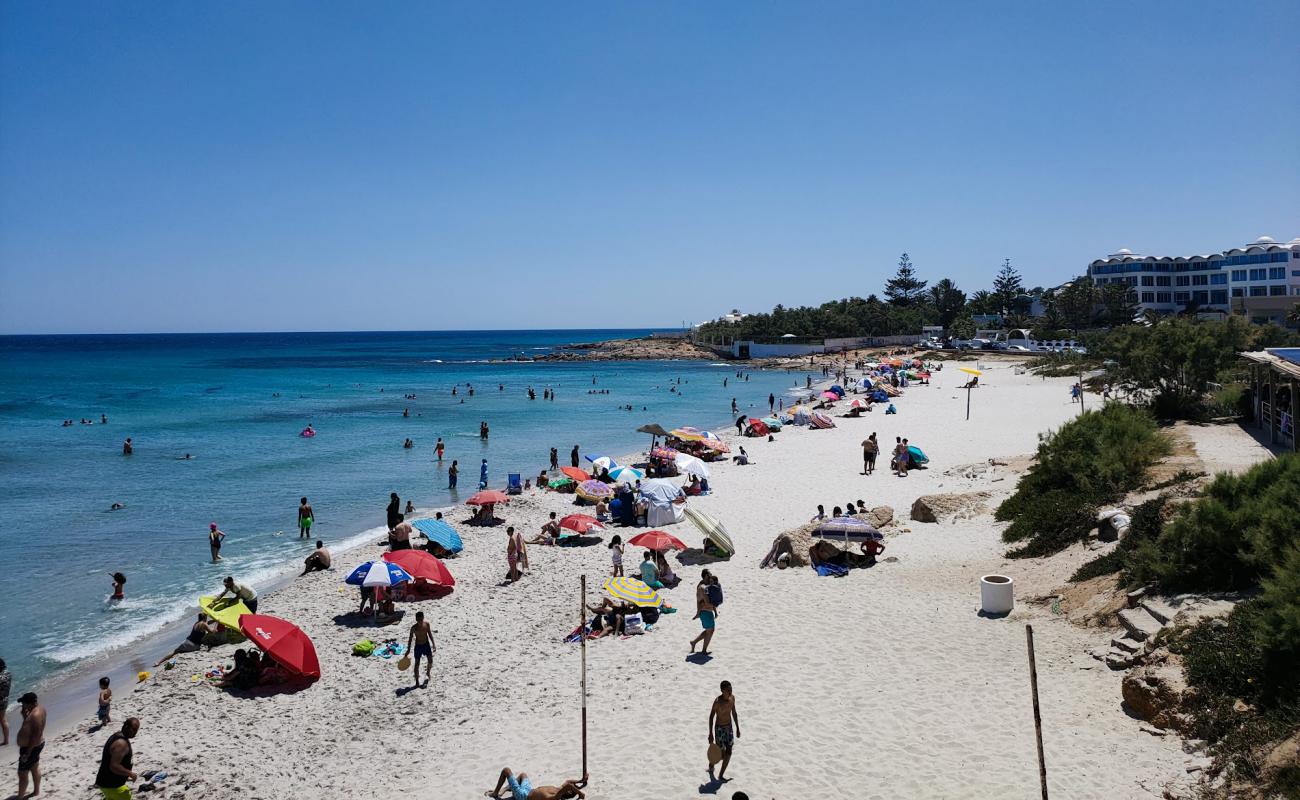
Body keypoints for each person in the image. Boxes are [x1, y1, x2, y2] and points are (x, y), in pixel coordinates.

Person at [96, 717, 140, 800]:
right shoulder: (121, 743)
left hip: (106, 782)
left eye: (136, 730)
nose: (135, 732)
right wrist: (130, 774)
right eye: (133, 729)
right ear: (126, 727)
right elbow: (114, 766)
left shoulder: (118, 735)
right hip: (112, 785)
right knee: (126, 797)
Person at [486, 767, 586, 800]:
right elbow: (568, 782)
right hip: (529, 789)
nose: (571, 785)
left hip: (522, 796)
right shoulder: (558, 789)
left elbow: (568, 785)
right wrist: (581, 780)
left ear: (567, 792)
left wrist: (580, 793)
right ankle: (506, 788)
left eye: (572, 788)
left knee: (506, 770)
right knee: (522, 775)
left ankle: (495, 793)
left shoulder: (554, 796)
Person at [709, 681, 740, 781]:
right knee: (721, 755)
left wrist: (738, 728)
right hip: (719, 729)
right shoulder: (718, 702)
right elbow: (711, 716)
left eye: (731, 689)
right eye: (728, 690)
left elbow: (734, 713)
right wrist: (710, 733)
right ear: (722, 691)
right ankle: (712, 762)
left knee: (729, 751)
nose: (730, 691)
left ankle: (721, 775)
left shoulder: (732, 698)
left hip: (729, 727)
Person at [16, 692, 45, 800]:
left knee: (22, 773)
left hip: (30, 747)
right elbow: (31, 727)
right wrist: (24, 716)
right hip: (36, 745)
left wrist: (27, 753)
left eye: (23, 703)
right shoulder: (39, 709)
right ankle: (36, 791)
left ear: (29, 703)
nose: (22, 705)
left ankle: (20, 797)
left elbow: (35, 735)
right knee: (34, 766)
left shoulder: (35, 715)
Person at [689, 570, 717, 655]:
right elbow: (706, 602)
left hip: (706, 611)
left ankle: (694, 642)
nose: (711, 576)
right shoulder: (702, 588)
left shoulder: (704, 585)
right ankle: (703, 650)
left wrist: (715, 611)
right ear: (705, 576)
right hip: (705, 612)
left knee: (709, 630)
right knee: (710, 630)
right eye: (709, 574)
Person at [406, 611, 435, 689]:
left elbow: (430, 634)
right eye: (418, 620)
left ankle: (428, 673)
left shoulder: (427, 625)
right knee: (417, 664)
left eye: (421, 619)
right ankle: (417, 682)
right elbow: (410, 639)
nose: (420, 621)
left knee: (430, 661)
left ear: (423, 618)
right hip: (418, 646)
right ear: (416, 619)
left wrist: (433, 644)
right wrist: (408, 650)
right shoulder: (413, 628)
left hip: (426, 644)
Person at [0, 657, 9, 746]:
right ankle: (6, 740)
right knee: (3, 720)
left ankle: (6, 741)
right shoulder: (8, 673)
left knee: (2, 720)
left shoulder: (1, 676)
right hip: (5, 699)